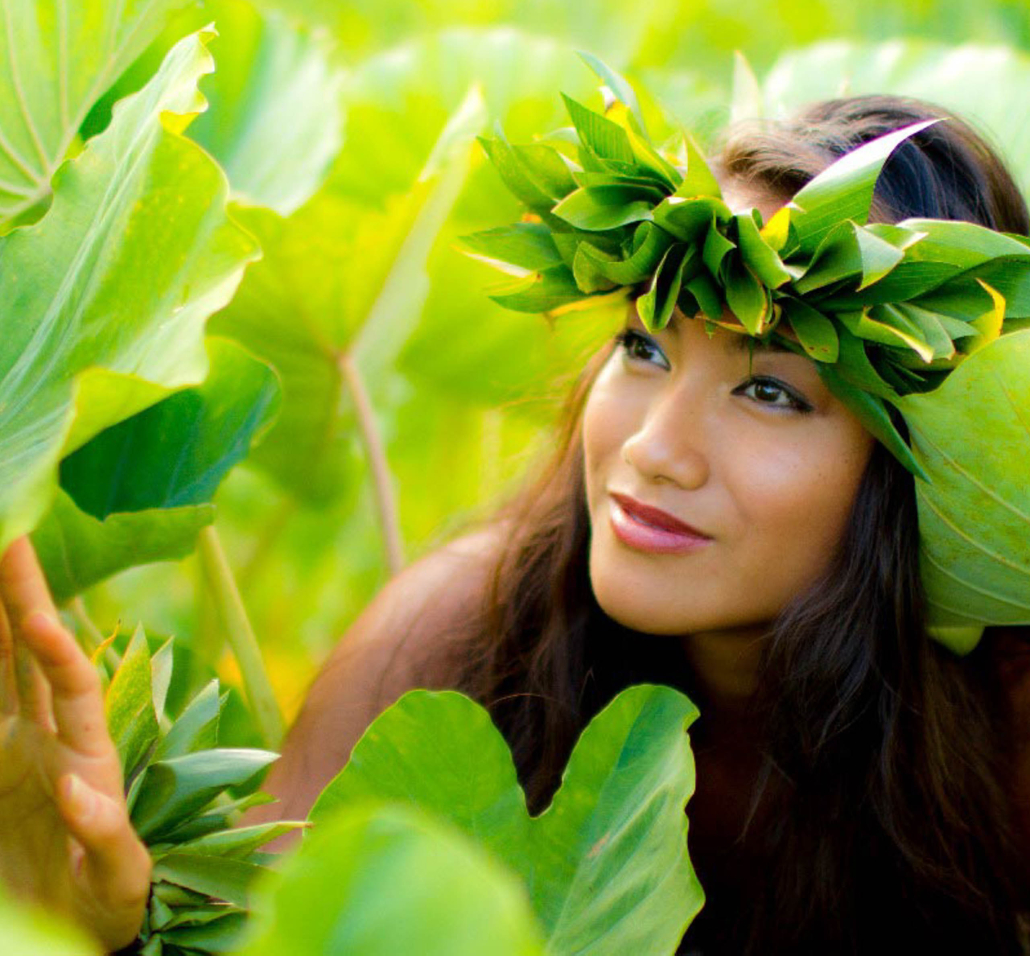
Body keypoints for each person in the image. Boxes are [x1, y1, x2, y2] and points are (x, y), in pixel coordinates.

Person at [1, 93, 1029, 955]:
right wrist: (99, 929)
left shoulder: (1002, 723)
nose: (653, 448)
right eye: (645, 348)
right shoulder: (455, 629)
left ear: (929, 475)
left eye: (769, 395)